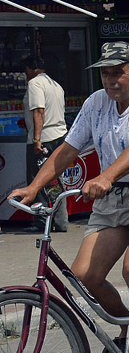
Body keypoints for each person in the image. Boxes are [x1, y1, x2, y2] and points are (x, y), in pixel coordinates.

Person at [10, 42, 129, 353]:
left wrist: (105, 175)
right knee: (84, 276)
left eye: (117, 71)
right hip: (116, 200)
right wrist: (35, 187)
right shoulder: (95, 104)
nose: (110, 80)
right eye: (105, 73)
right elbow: (68, 149)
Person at [21, 54, 68, 233]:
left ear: (32, 69)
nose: (25, 74)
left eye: (26, 70)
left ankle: (41, 222)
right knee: (55, 179)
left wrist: (36, 139)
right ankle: (61, 221)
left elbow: (39, 111)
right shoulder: (55, 85)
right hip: (59, 135)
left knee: (37, 181)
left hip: (44, 138)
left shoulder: (35, 84)